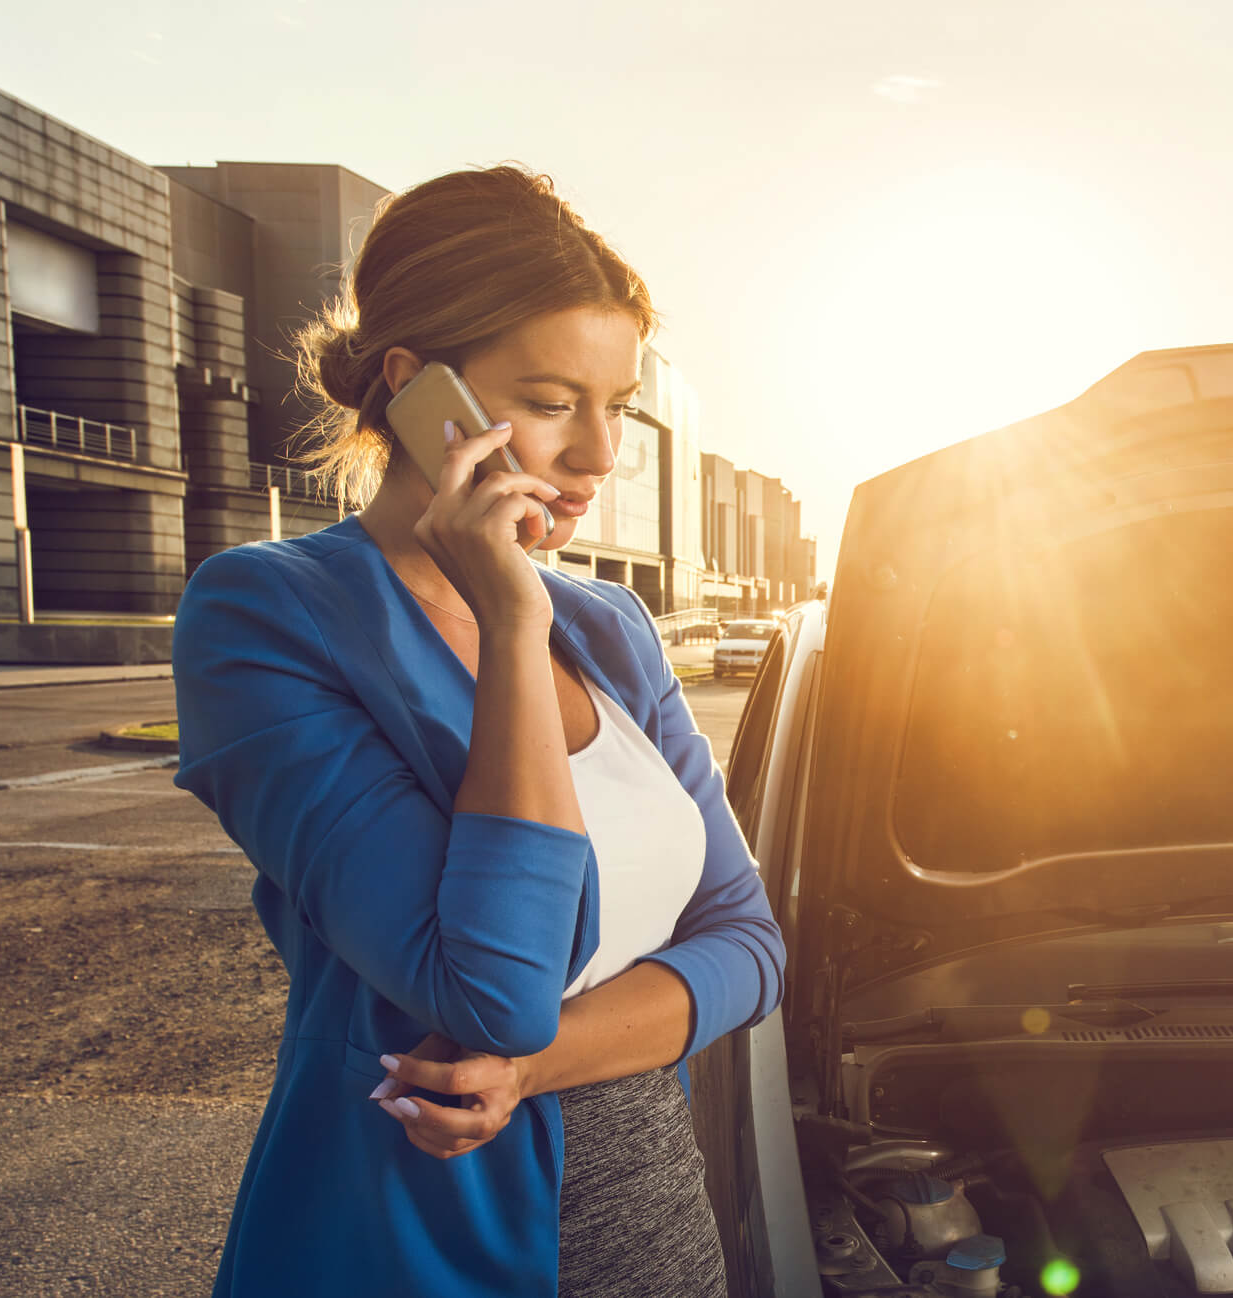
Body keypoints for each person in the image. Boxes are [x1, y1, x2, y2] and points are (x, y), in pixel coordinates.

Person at [172, 165, 782, 1297]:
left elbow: (748, 943)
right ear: (415, 389)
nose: (600, 454)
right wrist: (508, 621)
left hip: (655, 1236)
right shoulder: (263, 611)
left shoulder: (608, 624)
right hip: (413, 1249)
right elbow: (489, 991)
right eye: (553, 403)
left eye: (618, 407)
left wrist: (528, 1066)